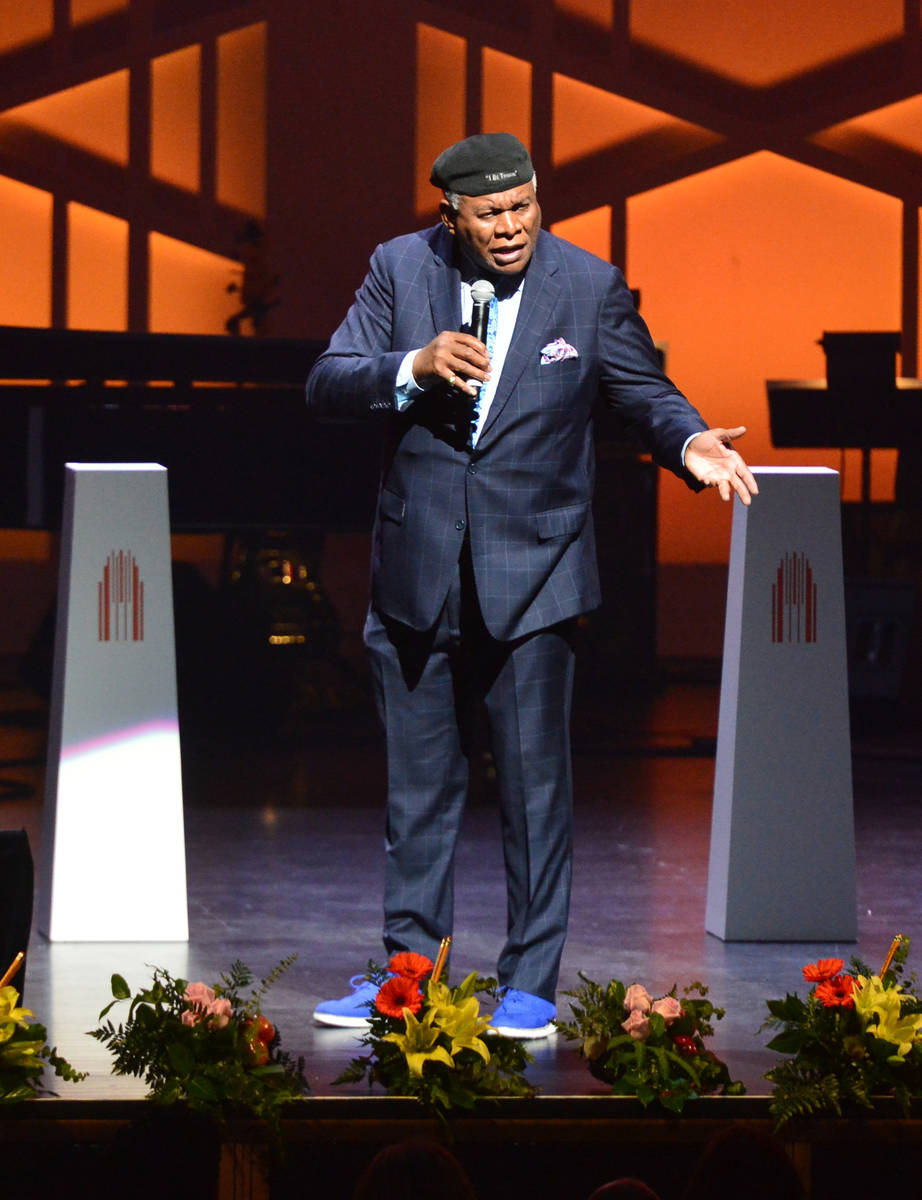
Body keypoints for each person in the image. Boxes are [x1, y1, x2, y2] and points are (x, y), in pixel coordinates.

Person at [308, 132, 757, 1038]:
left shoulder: (586, 286)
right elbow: (328, 381)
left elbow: (644, 392)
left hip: (536, 578)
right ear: (452, 218)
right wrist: (412, 368)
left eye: (522, 207)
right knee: (417, 799)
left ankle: (530, 985)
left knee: (534, 793)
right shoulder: (399, 269)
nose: (511, 226)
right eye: (490, 214)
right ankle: (405, 978)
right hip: (419, 573)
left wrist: (688, 441)